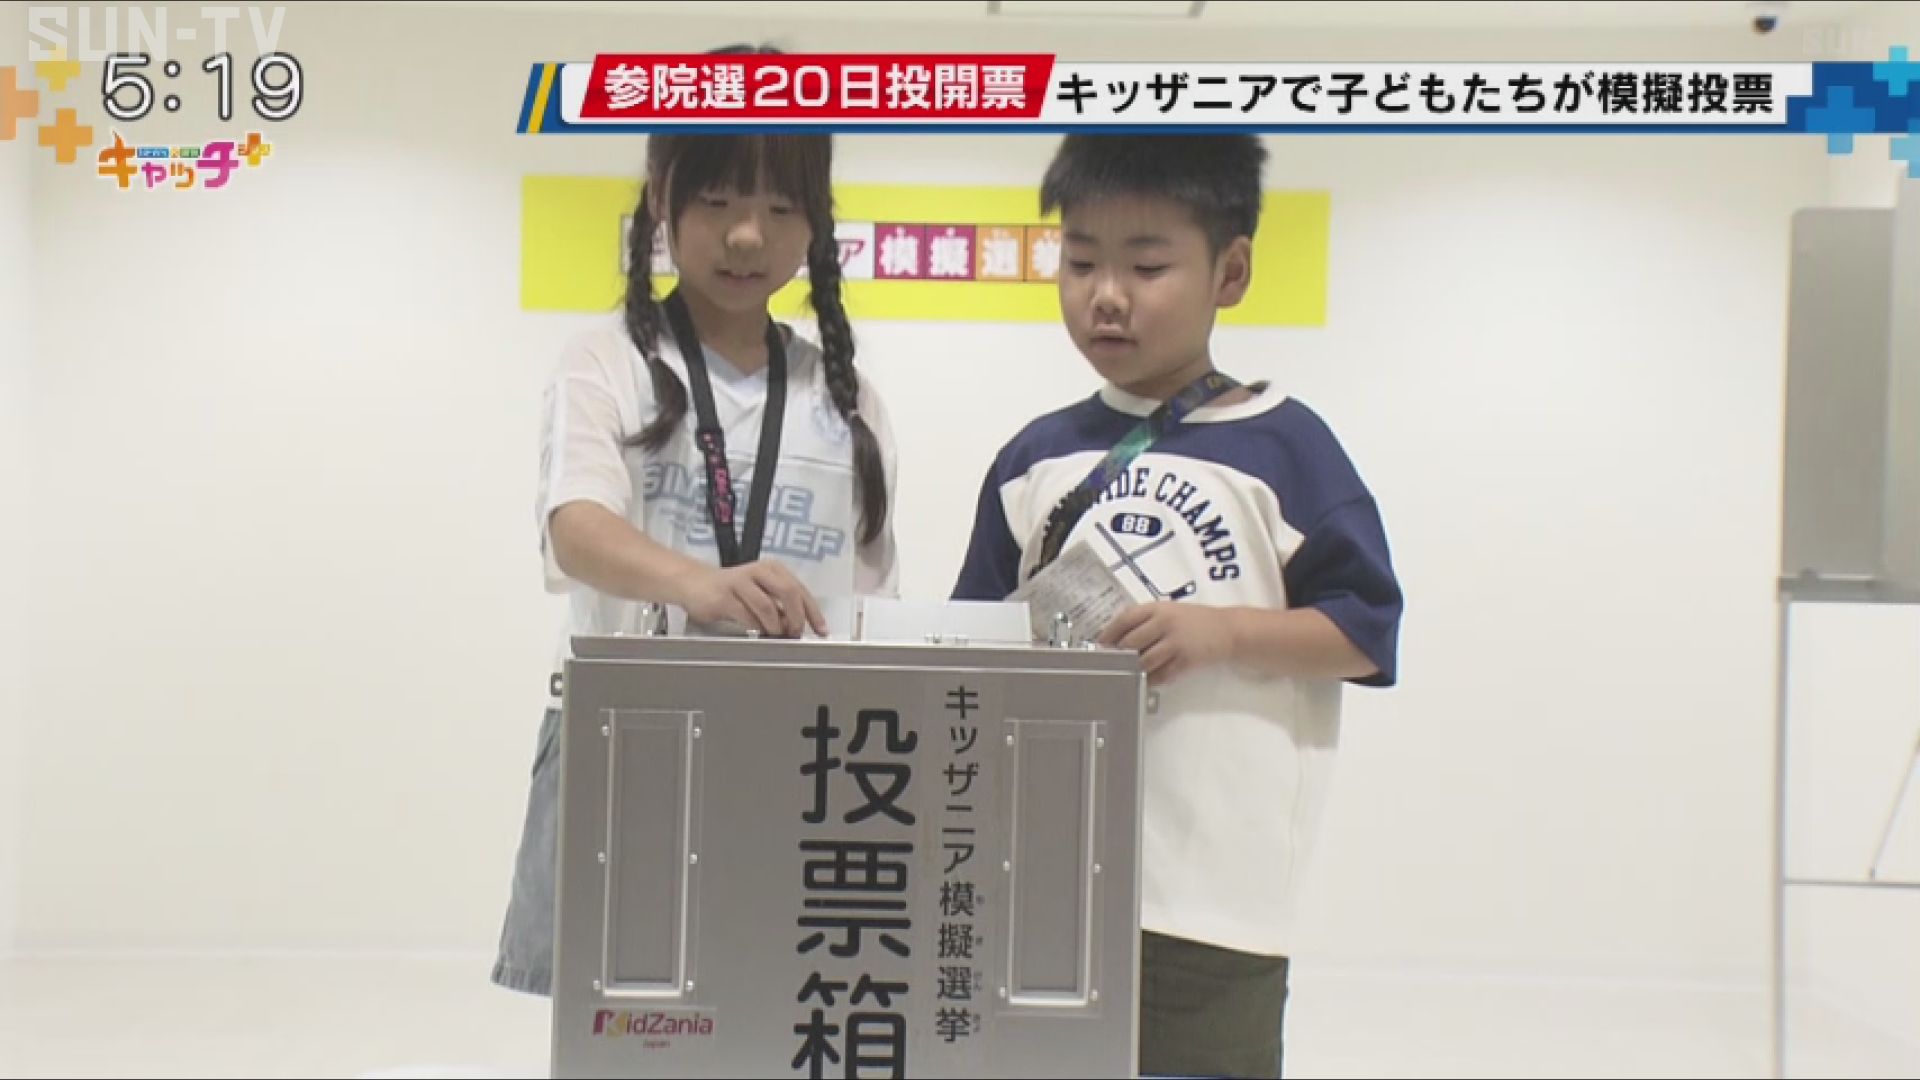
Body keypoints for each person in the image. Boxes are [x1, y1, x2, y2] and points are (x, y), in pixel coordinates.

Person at [951, 134, 1403, 1079]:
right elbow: (973, 640)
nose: (1106, 295)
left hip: (1212, 900)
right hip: (1041, 883)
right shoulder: (1035, 458)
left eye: (1147, 266)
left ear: (1230, 271)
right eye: (1081, 262)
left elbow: (1363, 631)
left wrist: (1223, 632)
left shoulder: (1287, 450)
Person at [493, 103, 900, 997]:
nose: (747, 235)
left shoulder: (848, 398)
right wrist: (699, 585)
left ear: (817, 221)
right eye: (716, 202)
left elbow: (874, 606)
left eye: (781, 208)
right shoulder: (605, 361)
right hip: (634, 743)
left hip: (806, 756)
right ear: (661, 199)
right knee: (625, 1019)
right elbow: (576, 526)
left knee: (784, 1005)